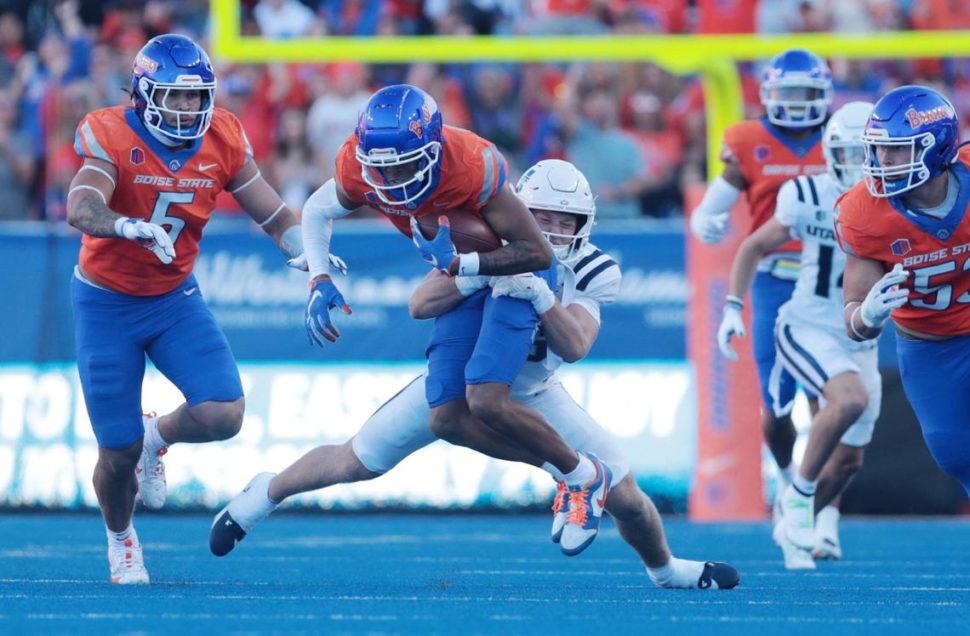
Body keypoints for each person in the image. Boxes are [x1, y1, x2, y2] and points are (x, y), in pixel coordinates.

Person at [210, 159, 741, 590]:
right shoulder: (486, 241)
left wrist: (539, 295)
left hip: (534, 387)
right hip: (465, 381)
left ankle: (666, 569)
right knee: (357, 460)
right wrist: (480, 273)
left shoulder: (596, 268)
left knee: (626, 494)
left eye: (564, 221)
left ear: (585, 226)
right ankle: (266, 493)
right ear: (519, 215)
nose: (552, 231)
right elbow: (421, 303)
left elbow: (575, 344)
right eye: (542, 217)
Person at [300, 85, 612, 555]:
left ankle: (581, 476)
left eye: (404, 162)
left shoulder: (473, 164)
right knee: (446, 417)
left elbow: (535, 251)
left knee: (485, 400)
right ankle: (575, 473)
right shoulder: (356, 163)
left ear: (433, 149)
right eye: (380, 164)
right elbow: (317, 209)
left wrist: (462, 264)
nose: (392, 175)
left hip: (512, 268)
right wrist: (319, 277)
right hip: (460, 270)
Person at [66, 34, 320, 584]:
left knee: (223, 412)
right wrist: (125, 225)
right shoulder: (112, 132)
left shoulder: (223, 136)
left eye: (194, 97)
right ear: (143, 94)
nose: (187, 109)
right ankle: (121, 538)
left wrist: (308, 256)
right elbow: (80, 204)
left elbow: (275, 216)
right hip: (105, 303)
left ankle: (156, 438)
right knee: (115, 453)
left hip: (173, 298)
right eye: (174, 97)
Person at [719, 102, 879, 569]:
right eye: (847, 153)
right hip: (809, 323)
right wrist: (732, 305)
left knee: (849, 460)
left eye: (865, 153)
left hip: (861, 335)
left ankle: (798, 519)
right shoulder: (807, 193)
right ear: (829, 155)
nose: (856, 165)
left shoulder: (897, 202)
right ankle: (796, 496)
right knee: (846, 401)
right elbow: (754, 245)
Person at [689, 48, 832, 510]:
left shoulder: (841, 138)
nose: (794, 102)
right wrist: (704, 219)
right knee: (777, 407)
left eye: (804, 93)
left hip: (831, 277)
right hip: (773, 276)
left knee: (827, 398)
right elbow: (715, 202)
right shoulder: (749, 140)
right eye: (786, 92)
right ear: (768, 94)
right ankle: (788, 476)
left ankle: (819, 504)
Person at [836, 85, 970, 497]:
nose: (882, 160)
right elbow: (853, 319)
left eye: (896, 149)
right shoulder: (863, 213)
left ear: (935, 147)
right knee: (954, 453)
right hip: (931, 344)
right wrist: (868, 315)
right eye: (877, 149)